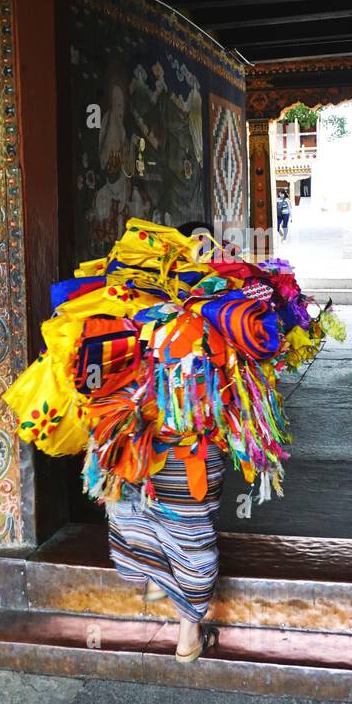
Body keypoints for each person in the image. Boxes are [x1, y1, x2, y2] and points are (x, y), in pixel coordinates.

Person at [102, 219, 225, 663]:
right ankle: (188, 633)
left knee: (149, 516)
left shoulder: (131, 309)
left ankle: (157, 581)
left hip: (140, 446)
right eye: (201, 247)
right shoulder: (217, 311)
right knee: (191, 531)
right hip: (189, 450)